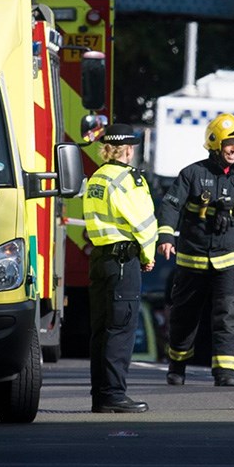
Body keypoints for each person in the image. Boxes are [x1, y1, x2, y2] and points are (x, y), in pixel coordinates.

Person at [158, 113, 234, 387]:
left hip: (229, 263)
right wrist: (166, 236)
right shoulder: (192, 174)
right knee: (183, 317)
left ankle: (224, 372)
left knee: (228, 313)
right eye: (231, 143)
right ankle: (177, 366)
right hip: (191, 262)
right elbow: (170, 206)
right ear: (215, 143)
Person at [83, 123, 158, 414]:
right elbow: (144, 221)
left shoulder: (97, 177)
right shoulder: (130, 179)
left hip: (100, 258)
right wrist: (148, 254)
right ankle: (114, 394)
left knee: (101, 330)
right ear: (128, 149)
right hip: (124, 261)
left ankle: (100, 395)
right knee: (120, 330)